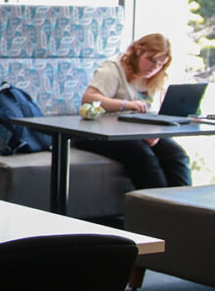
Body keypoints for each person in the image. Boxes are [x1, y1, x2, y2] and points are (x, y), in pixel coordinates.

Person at [76, 32, 192, 189]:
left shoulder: (152, 79)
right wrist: (125, 104)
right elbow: (89, 98)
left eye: (160, 64)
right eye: (151, 60)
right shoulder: (112, 69)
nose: (154, 68)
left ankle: (182, 208)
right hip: (102, 133)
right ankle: (156, 209)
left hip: (135, 130)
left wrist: (154, 132)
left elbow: (151, 113)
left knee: (176, 154)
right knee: (144, 157)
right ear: (138, 50)